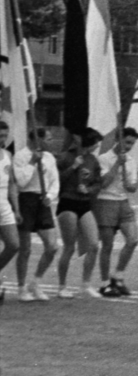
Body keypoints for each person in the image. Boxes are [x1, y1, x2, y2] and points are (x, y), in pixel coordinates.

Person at [91, 127, 138, 297]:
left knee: (133, 240)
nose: (128, 146)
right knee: (108, 245)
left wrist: (130, 185)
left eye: (132, 144)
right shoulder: (103, 159)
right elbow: (104, 183)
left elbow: (133, 186)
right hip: (106, 202)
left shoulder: (131, 160)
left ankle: (117, 276)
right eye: (127, 142)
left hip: (123, 202)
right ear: (118, 139)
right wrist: (117, 164)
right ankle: (105, 283)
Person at [55, 129, 104, 300]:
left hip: (84, 203)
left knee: (94, 245)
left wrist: (88, 189)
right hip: (67, 202)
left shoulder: (92, 160)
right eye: (95, 142)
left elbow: (98, 183)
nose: (97, 146)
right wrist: (73, 167)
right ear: (87, 142)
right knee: (69, 246)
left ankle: (86, 284)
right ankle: (62, 286)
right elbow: (56, 180)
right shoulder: (66, 156)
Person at [14, 127, 60, 301]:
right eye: (47, 139)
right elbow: (21, 182)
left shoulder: (49, 158)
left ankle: (36, 282)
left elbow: (55, 181)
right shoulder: (21, 156)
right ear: (37, 140)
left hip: (43, 202)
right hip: (26, 201)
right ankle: (21, 288)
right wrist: (32, 162)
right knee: (25, 249)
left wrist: (49, 196)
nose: (50, 142)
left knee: (52, 246)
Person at [0, 120, 21, 294]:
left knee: (13, 244)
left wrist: (16, 208)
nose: (3, 139)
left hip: (4, 207)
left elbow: (12, 183)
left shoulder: (7, 155)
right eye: (0, 135)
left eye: (5, 136)